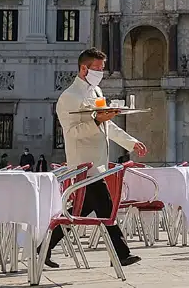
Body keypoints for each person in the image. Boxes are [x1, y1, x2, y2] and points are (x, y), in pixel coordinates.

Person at [44, 47, 145, 269]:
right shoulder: (69, 97)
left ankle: (43, 247)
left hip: (98, 163)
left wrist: (130, 142)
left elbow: (107, 124)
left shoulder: (97, 91)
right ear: (84, 68)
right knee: (106, 207)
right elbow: (72, 133)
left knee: (77, 212)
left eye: (102, 68)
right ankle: (121, 254)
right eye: (97, 69)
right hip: (83, 166)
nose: (101, 72)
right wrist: (97, 121)